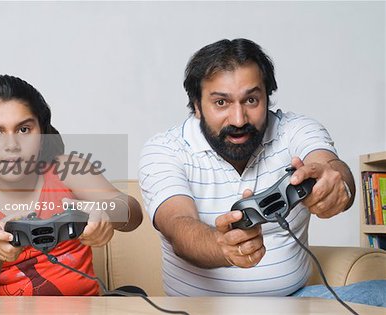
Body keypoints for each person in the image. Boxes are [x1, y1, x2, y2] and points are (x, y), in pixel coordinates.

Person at [138, 38, 386, 306]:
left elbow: (329, 165)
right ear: (197, 105)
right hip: (199, 307)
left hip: (293, 303)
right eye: (221, 103)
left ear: (267, 97)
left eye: (251, 100)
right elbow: (178, 226)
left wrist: (339, 186)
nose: (238, 119)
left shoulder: (295, 129)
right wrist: (221, 245)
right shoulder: (164, 149)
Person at [0, 75, 143, 295]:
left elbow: (132, 212)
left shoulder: (67, 169)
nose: (12, 145)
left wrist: (106, 213)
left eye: (23, 130)